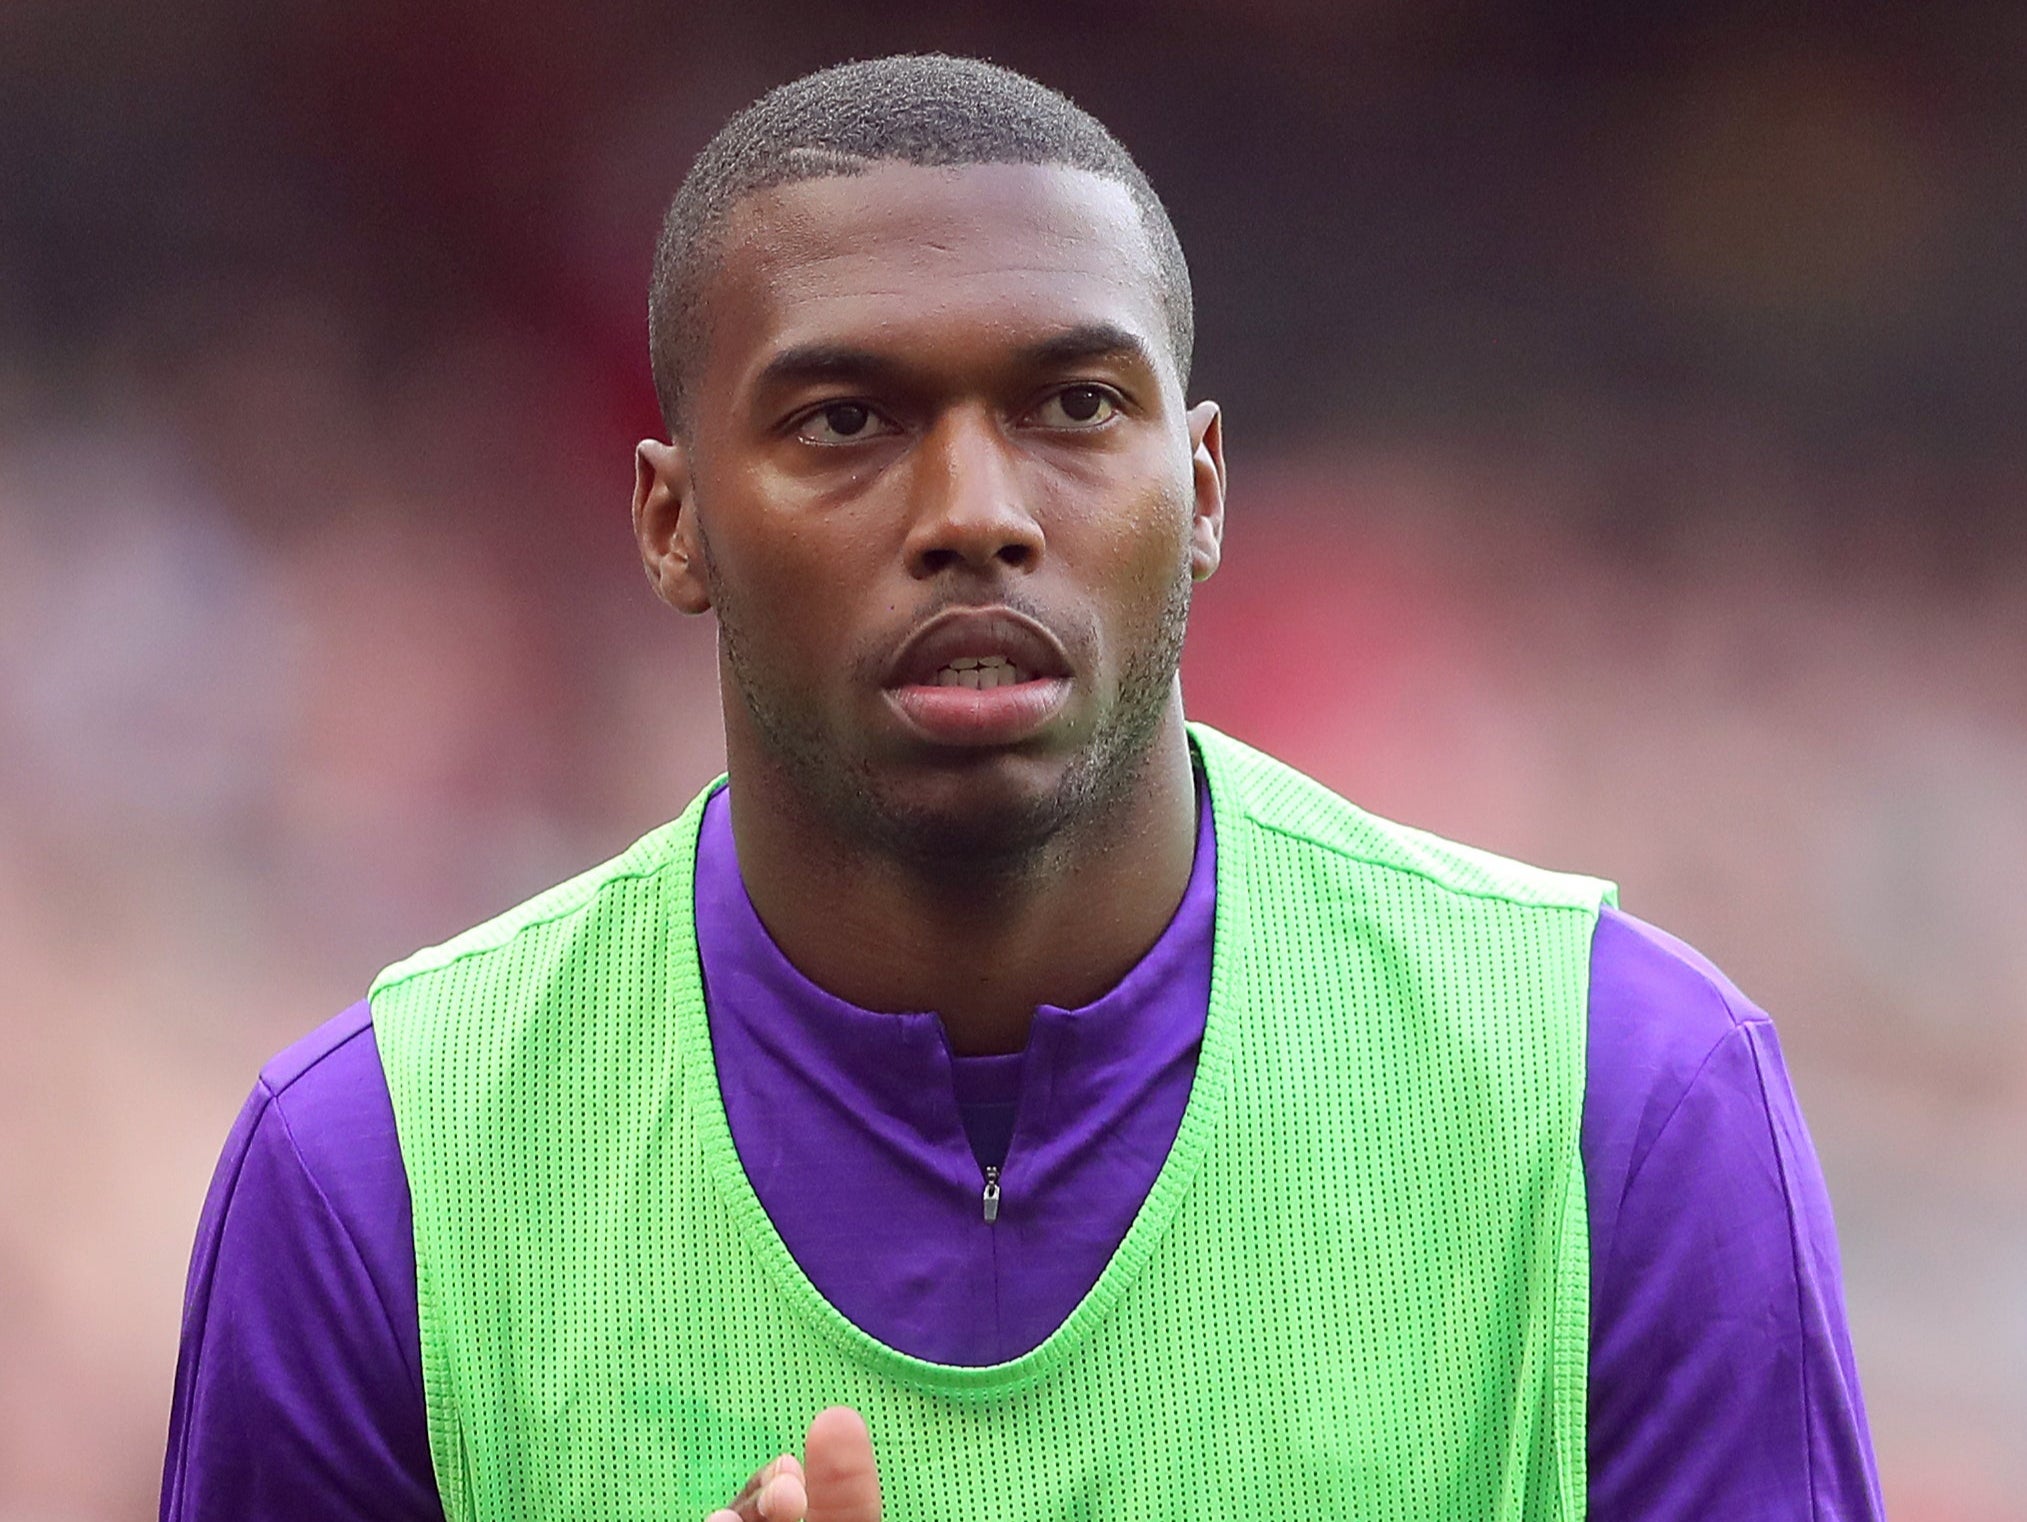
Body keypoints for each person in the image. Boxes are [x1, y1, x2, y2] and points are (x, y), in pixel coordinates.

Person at [161, 55, 1884, 1522]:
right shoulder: (378, 1172)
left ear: (1200, 488)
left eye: (1073, 401)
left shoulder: (1621, 1104)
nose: (975, 507)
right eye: (845, 419)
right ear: (673, 519)